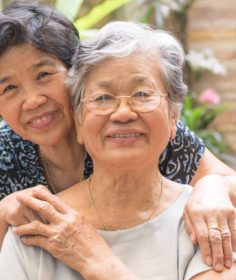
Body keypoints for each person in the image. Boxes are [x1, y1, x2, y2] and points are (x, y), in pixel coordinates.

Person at [0, 0, 235, 272]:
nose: (32, 100)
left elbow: (228, 180)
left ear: (76, 74)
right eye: (8, 88)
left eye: (43, 74)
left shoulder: (139, 131)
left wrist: (213, 186)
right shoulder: (5, 152)